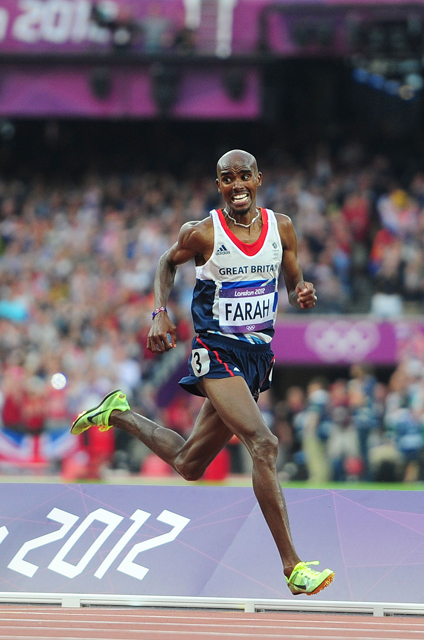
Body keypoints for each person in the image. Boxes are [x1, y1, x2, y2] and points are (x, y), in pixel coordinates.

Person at [71, 150, 335, 596]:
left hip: (256, 357)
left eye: (244, 177)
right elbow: (165, 263)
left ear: (258, 179)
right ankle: (293, 566)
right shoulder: (202, 233)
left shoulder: (282, 227)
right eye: (227, 178)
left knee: (190, 463)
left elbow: (293, 281)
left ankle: (118, 414)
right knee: (264, 444)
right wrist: (159, 312)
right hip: (216, 353)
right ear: (219, 185)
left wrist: (302, 292)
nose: (236, 185)